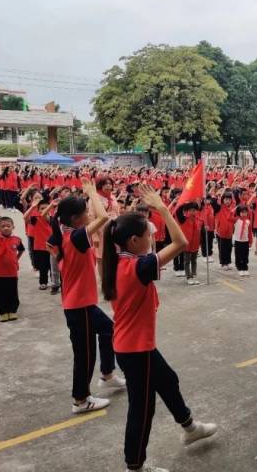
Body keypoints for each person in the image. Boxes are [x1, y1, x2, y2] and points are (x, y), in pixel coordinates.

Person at [101, 184, 217, 472]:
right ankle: (135, 466)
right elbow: (180, 243)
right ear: (132, 241)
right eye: (148, 235)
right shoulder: (136, 268)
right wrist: (165, 209)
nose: (152, 238)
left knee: (168, 380)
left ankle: (190, 427)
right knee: (142, 410)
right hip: (136, 349)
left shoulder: (119, 262)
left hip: (135, 346)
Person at [47, 178, 126, 414]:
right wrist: (92, 193)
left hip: (82, 303)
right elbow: (103, 218)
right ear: (74, 219)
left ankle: (107, 374)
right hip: (78, 305)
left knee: (109, 329)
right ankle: (80, 399)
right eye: (85, 213)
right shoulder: (75, 237)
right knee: (85, 353)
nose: (89, 215)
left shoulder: (64, 232)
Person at [178, 202, 201, 285]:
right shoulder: (183, 219)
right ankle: (189, 277)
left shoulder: (199, 220)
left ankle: (194, 275)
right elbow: (178, 211)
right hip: (187, 245)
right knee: (187, 261)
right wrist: (184, 203)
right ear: (187, 211)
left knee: (194, 261)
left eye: (194, 210)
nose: (192, 212)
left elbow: (200, 232)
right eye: (190, 210)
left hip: (195, 244)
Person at [215, 192, 237, 271]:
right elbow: (213, 202)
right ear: (222, 200)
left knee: (229, 248)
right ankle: (223, 263)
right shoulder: (220, 207)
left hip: (229, 232)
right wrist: (217, 195)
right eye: (226, 199)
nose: (227, 201)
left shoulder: (232, 208)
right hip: (221, 232)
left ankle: (228, 262)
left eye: (229, 199)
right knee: (222, 248)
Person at [233, 205, 252, 277]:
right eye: (242, 212)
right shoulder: (236, 220)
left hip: (245, 241)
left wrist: (250, 241)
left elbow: (250, 232)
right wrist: (234, 209)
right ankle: (239, 268)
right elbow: (228, 218)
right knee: (238, 255)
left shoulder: (248, 221)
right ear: (238, 213)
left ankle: (245, 267)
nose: (244, 214)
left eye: (245, 212)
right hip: (238, 241)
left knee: (245, 255)